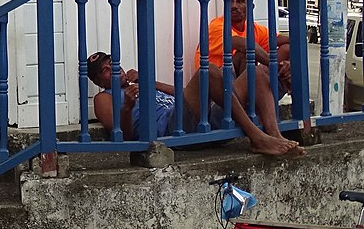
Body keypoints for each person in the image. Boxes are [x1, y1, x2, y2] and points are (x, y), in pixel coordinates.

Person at [86, 50, 301, 156]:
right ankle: (257, 137)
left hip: (194, 116)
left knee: (254, 72)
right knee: (208, 72)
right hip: (171, 129)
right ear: (97, 81)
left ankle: (274, 135)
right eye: (106, 70)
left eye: (114, 63)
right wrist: (127, 108)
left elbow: (183, 93)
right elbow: (124, 136)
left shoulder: (139, 84)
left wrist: (148, 81)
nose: (114, 69)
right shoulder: (103, 98)